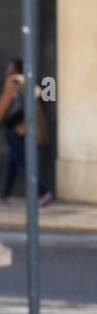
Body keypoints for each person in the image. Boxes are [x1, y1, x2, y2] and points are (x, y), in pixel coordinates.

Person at [0, 59, 53, 207]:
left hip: (15, 129)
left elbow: (4, 105)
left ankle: (43, 192)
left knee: (23, 163)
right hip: (26, 129)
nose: (7, 70)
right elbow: (45, 98)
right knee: (12, 161)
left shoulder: (14, 82)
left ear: (15, 69)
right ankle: (4, 195)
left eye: (10, 67)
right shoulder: (28, 82)